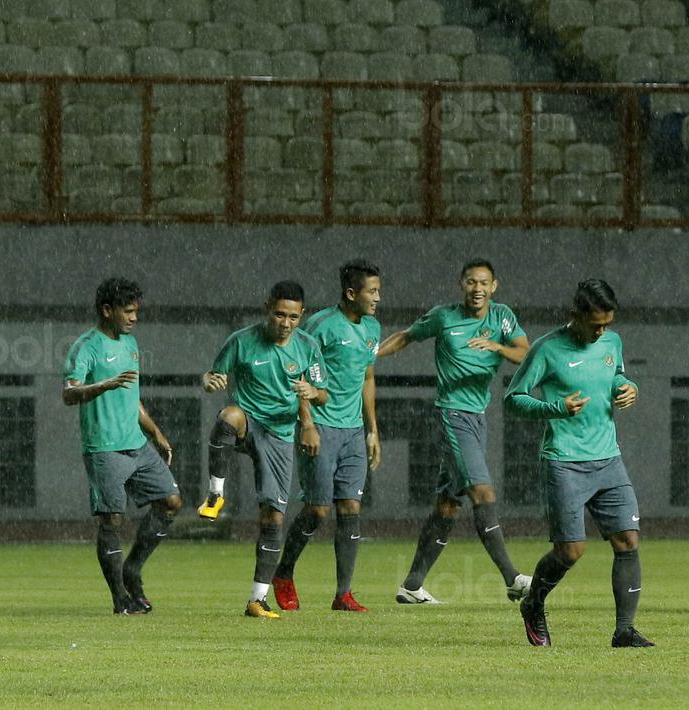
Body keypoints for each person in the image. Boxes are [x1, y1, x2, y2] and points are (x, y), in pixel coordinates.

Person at [505, 279, 653, 648]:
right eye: (596, 324)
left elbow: (615, 372)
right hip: (564, 462)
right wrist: (554, 408)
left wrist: (627, 384)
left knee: (627, 539)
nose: (602, 331)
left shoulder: (611, 342)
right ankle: (533, 606)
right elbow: (513, 398)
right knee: (570, 551)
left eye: (607, 324)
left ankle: (624, 631)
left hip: (608, 459)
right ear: (577, 316)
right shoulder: (547, 349)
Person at [377, 259, 532, 604]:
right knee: (482, 492)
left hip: (478, 417)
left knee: (448, 504)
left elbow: (524, 352)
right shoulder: (444, 317)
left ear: (494, 287)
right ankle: (512, 578)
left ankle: (412, 585)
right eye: (471, 282)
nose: (477, 289)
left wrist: (498, 347)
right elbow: (406, 336)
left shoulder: (502, 316)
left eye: (484, 283)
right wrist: (371, 354)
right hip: (453, 415)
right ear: (461, 284)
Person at [197, 280, 327, 618]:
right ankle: (215, 494)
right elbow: (213, 376)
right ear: (266, 308)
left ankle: (257, 599)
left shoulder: (308, 347)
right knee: (228, 416)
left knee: (274, 517)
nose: (285, 323)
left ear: (302, 316)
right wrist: (209, 381)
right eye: (279, 314)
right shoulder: (241, 340)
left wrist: (312, 398)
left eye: (293, 317)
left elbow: (323, 393)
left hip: (280, 434)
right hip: (249, 421)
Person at [63, 277, 182, 615]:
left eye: (135, 312)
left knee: (171, 502)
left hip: (137, 444)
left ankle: (132, 569)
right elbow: (69, 393)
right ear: (107, 310)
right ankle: (120, 598)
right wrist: (103, 385)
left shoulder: (130, 344)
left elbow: (132, 397)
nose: (134, 318)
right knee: (112, 520)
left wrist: (155, 432)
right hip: (104, 448)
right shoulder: (86, 347)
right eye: (128, 312)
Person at [272, 259, 382, 613]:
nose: (378, 298)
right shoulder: (319, 326)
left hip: (352, 433)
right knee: (318, 510)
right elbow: (298, 375)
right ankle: (284, 573)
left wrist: (372, 430)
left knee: (351, 506)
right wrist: (307, 424)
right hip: (319, 426)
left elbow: (367, 378)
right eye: (372, 291)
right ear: (351, 293)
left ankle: (343, 593)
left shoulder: (373, 329)